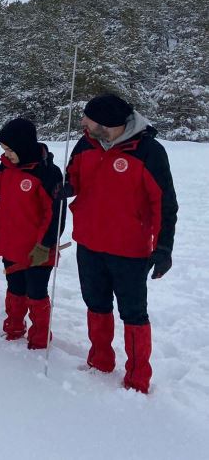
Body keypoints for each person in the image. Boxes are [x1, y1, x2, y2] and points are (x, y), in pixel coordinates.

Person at [65, 94, 177, 393]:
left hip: (130, 250)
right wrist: (64, 186)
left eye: (88, 118)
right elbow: (73, 176)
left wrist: (164, 247)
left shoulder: (149, 152)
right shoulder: (85, 143)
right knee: (96, 304)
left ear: (107, 123)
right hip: (88, 243)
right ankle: (100, 361)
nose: (83, 122)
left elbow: (165, 204)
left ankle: (137, 378)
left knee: (133, 313)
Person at [0, 119, 63, 349]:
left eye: (10, 150)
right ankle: (13, 328)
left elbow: (54, 215)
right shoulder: (8, 166)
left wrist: (44, 245)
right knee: (15, 290)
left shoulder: (48, 173)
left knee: (36, 293)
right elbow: (2, 188)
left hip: (37, 250)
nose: (7, 154)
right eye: (4, 150)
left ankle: (40, 338)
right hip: (12, 244)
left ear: (23, 146)